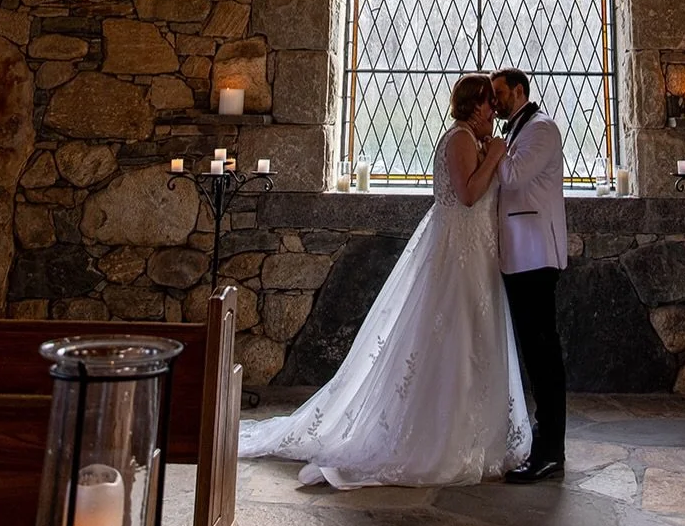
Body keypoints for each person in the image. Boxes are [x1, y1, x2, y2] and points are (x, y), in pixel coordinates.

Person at [238, 73, 532, 487]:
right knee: (455, 341)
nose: (494, 111)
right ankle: (441, 440)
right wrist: (496, 155)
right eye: (488, 103)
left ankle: (476, 435)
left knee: (476, 341)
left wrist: (494, 153)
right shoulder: (461, 139)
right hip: (458, 257)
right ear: (472, 105)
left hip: (477, 256)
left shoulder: (477, 141)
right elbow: (468, 195)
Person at [491, 66, 568, 484]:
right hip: (519, 255)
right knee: (534, 352)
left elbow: (515, 179)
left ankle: (551, 450)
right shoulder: (518, 130)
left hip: (536, 255)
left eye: (500, 93)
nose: (495, 100)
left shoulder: (541, 129)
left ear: (519, 91)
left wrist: (492, 149)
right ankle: (544, 440)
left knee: (543, 355)